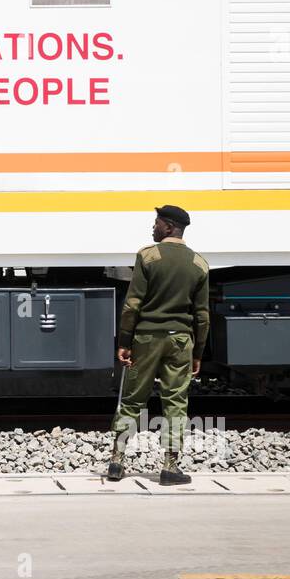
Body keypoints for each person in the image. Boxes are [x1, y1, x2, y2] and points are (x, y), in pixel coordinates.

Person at [107, 205, 209, 486]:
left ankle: (117, 462)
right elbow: (202, 315)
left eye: (157, 223)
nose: (153, 228)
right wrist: (198, 352)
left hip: (147, 338)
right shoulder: (199, 264)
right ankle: (170, 467)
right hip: (180, 341)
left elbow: (133, 304)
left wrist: (124, 341)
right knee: (175, 401)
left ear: (168, 227)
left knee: (132, 400)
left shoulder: (148, 257)